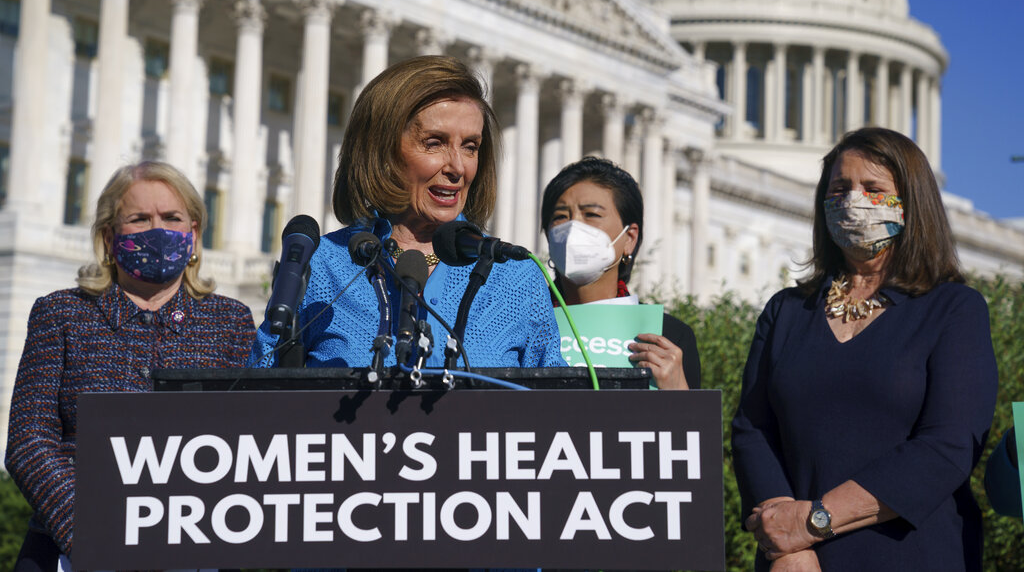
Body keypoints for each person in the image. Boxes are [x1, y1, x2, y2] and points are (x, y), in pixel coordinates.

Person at [731, 127, 997, 571]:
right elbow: (753, 429)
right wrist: (788, 541)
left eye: (873, 189)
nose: (853, 200)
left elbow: (948, 446)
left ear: (912, 204)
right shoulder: (788, 311)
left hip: (912, 554)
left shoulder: (953, 309)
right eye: (840, 188)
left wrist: (813, 522)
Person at [5, 162, 256, 570]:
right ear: (109, 237)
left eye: (171, 218)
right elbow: (29, 441)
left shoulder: (231, 322)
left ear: (192, 234)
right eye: (139, 219)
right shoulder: (60, 314)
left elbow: (247, 440)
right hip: (69, 550)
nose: (157, 229)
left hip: (191, 547)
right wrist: (90, 533)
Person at [249, 55, 564, 369]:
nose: (457, 167)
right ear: (382, 151)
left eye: (470, 146)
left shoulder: (516, 276)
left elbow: (556, 406)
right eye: (434, 143)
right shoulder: (322, 266)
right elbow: (256, 395)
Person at [539, 157, 699, 389]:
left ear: (629, 238)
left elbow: (693, 424)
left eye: (591, 214)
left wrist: (679, 394)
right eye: (560, 217)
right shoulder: (521, 327)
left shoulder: (669, 339)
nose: (573, 228)